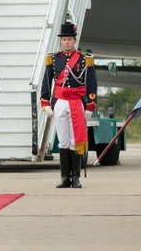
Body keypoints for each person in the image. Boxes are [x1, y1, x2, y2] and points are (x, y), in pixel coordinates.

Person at [39, 21, 97, 189]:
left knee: (75, 141)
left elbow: (91, 83)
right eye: (64, 39)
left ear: (74, 41)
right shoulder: (53, 58)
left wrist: (90, 105)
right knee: (63, 141)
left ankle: (76, 177)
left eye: (70, 39)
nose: (67, 42)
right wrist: (45, 102)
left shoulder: (85, 59)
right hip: (60, 101)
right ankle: (65, 176)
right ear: (60, 41)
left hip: (76, 102)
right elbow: (47, 81)